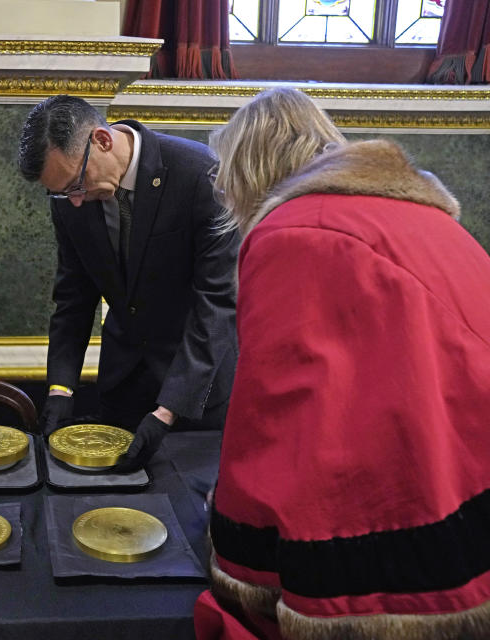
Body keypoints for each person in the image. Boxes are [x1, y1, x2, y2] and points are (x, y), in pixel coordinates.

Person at [196, 87, 490, 639]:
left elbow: (280, 412)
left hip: (395, 528)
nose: (222, 192)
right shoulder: (414, 213)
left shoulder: (291, 234)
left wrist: (236, 535)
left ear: (248, 168)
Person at [18, 94, 239, 469]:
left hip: (195, 392)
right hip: (121, 387)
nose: (73, 201)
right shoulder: (69, 197)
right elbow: (74, 296)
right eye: (61, 193)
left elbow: (216, 304)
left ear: (102, 140)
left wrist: (168, 411)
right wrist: (60, 387)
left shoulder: (200, 174)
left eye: (75, 184)